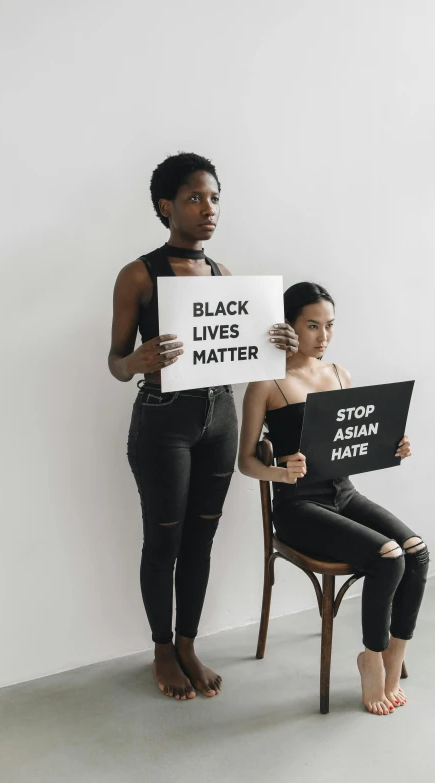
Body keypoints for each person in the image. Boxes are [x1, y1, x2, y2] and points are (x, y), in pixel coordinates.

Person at [108, 152, 297, 701]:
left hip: (220, 418)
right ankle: (162, 650)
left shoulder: (222, 276)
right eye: (195, 198)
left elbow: (244, 353)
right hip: (164, 422)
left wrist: (277, 343)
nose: (208, 208)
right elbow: (116, 364)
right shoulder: (139, 274)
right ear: (166, 206)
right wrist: (136, 362)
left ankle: (188, 643)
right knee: (163, 541)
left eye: (214, 198)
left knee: (202, 540)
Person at [238, 281, 429, 715]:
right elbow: (246, 461)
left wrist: (392, 445)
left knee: (415, 552)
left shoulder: (340, 374)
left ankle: (394, 654)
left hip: (343, 495)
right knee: (389, 556)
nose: (322, 337)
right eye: (311, 326)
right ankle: (371, 657)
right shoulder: (266, 383)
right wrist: (279, 472)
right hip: (299, 507)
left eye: (329, 326)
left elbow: (350, 443)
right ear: (288, 327)